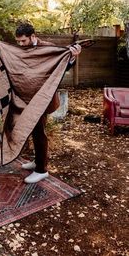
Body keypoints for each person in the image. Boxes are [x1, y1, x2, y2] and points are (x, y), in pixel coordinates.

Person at [14, 22, 81, 183]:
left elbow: (63, 67)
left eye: (23, 41)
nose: (21, 44)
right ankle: (37, 161)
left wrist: (72, 57)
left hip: (43, 98)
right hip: (28, 97)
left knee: (39, 132)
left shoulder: (48, 48)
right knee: (32, 129)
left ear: (33, 36)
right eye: (18, 42)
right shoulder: (21, 49)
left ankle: (41, 170)